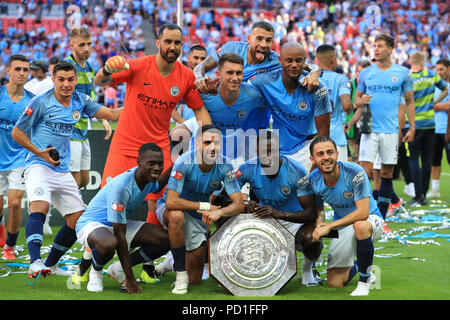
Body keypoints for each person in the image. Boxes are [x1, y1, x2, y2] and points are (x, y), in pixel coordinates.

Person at [11, 61, 123, 278]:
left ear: (75, 80)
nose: (66, 84)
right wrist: (39, 152)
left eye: (70, 79)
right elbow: (17, 132)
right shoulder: (40, 102)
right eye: (61, 79)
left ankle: (50, 265)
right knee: (39, 208)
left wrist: (140, 103)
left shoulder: (80, 101)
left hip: (62, 170)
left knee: (77, 220)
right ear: (53, 79)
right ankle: (35, 262)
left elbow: (112, 114)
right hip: (38, 165)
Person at [94, 23, 212, 227]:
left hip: (158, 148)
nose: (172, 47)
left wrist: (208, 139)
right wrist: (106, 69)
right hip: (124, 145)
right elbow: (100, 81)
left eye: (177, 43)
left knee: (157, 201)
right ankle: (94, 254)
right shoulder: (137, 65)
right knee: (109, 198)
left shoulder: (186, 76)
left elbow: (199, 109)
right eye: (168, 42)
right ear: (158, 43)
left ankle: (148, 257)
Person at [75, 143, 172, 293]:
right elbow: (119, 234)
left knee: (166, 240)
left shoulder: (146, 178)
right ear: (139, 163)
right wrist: (130, 279)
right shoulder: (121, 187)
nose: (157, 168)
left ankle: (118, 269)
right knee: (109, 243)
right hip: (91, 225)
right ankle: (96, 270)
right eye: (151, 163)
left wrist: (176, 165)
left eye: (160, 164)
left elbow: (158, 185)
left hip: (116, 225)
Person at [194, 21, 320, 133]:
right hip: (224, 116)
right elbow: (202, 66)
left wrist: (314, 72)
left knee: (257, 156)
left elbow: (307, 66)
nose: (264, 44)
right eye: (259, 39)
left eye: (268, 40)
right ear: (249, 39)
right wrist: (199, 78)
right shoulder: (232, 48)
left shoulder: (277, 60)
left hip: (255, 124)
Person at [164, 124, 244, 294]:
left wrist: (219, 212)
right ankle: (180, 274)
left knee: (196, 280)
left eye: (217, 143)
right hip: (173, 210)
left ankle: (169, 263)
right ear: (197, 144)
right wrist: (206, 206)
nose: (212, 147)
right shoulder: (184, 161)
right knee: (177, 216)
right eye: (207, 142)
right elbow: (171, 201)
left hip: (197, 216)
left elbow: (239, 204)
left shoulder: (225, 164)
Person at [236, 130, 323, 286]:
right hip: (264, 219)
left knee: (313, 239)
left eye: (272, 151)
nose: (268, 156)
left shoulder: (296, 171)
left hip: (294, 220)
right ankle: (229, 267)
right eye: (264, 152)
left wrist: (278, 213)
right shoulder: (247, 168)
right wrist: (244, 203)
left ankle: (307, 269)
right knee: (224, 215)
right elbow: (223, 197)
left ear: (279, 151)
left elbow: (311, 213)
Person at [306, 136, 384, 296]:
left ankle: (364, 282)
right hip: (342, 226)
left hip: (370, 220)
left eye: (330, 152)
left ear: (337, 154)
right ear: (312, 159)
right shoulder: (313, 180)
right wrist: (320, 224)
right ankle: (360, 264)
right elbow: (319, 209)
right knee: (335, 283)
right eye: (320, 154)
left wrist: (329, 226)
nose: (326, 157)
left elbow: (362, 212)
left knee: (360, 226)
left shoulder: (355, 172)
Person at [355, 33, 415, 219]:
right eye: (374, 45)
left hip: (391, 131)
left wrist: (412, 127)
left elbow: (410, 102)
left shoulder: (403, 73)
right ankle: (363, 213)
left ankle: (380, 219)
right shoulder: (366, 73)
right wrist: (360, 100)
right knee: (364, 171)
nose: (376, 49)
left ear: (390, 50)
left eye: (380, 46)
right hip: (369, 130)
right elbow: (356, 100)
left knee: (387, 173)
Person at [248, 42, 332, 172]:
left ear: (304, 61)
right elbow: (238, 86)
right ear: (280, 60)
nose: (294, 65)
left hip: (306, 149)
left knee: (304, 192)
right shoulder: (265, 81)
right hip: (276, 150)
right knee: (272, 191)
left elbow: (324, 133)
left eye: (298, 60)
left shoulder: (317, 88)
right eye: (289, 60)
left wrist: (316, 164)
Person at [66, 27, 112, 190]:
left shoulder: (89, 67)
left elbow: (90, 98)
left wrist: (103, 118)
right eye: (81, 45)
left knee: (84, 181)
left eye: (89, 44)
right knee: (74, 182)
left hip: (83, 129)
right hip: (69, 131)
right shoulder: (66, 66)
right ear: (72, 46)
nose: (86, 49)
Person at [0, 55, 35, 260]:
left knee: (14, 203)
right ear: (8, 71)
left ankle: (10, 247)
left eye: (25, 69)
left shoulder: (32, 100)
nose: (22, 73)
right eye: (18, 69)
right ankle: (2, 228)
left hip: (20, 158)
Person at [405, 52, 448, 206]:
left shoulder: (408, 77)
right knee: (427, 159)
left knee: (413, 158)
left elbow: (404, 101)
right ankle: (423, 193)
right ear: (422, 62)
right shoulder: (431, 75)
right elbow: (446, 90)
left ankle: (418, 195)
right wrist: (433, 102)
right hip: (431, 123)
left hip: (413, 125)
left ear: (411, 62)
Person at [316, 44, 353, 162]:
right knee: (339, 177)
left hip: (314, 137)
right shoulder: (340, 79)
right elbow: (346, 106)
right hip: (336, 137)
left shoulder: (310, 79)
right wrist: (353, 106)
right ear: (332, 59)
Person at [428, 58, 450, 198]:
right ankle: (435, 189)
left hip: (448, 130)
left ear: (448, 69)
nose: (439, 72)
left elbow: (448, 106)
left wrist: (434, 106)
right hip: (434, 129)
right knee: (434, 160)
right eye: (437, 70)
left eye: (441, 69)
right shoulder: (436, 86)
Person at [174, 45, 208, 123]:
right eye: (196, 58)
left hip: (204, 127)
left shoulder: (210, 81)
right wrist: (187, 125)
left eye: (203, 59)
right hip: (186, 130)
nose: (199, 62)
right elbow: (171, 108)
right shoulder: (180, 80)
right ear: (188, 58)